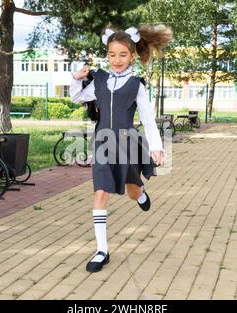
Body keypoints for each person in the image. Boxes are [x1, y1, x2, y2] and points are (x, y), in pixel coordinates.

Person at [70, 24, 172, 273]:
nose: (117, 60)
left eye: (123, 55)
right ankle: (102, 250)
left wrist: (156, 147)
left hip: (127, 144)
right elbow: (77, 97)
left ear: (132, 55)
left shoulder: (137, 84)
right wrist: (75, 79)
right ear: (107, 55)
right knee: (100, 193)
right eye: (112, 55)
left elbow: (147, 118)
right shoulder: (100, 80)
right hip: (103, 144)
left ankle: (141, 194)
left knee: (132, 191)